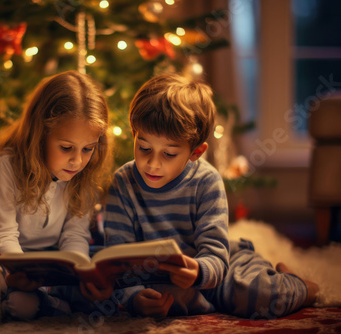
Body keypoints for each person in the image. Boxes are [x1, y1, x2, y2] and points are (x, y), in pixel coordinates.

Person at [103, 72, 318, 320]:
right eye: (144, 148)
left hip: (212, 270)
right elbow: (117, 255)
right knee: (90, 292)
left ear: (196, 152)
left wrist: (198, 272)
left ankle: (303, 286)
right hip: (153, 276)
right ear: (134, 134)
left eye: (169, 154)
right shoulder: (122, 182)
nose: (153, 164)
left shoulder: (206, 181)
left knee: (258, 295)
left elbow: (215, 254)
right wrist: (132, 298)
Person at [0, 70, 112, 320]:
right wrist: (18, 274)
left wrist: (78, 270)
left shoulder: (85, 172)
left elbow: (74, 235)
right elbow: (3, 235)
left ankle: (42, 298)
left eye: (88, 149)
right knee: (13, 298)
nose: (77, 160)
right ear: (40, 134)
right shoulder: (5, 164)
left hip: (45, 260)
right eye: (66, 147)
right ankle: (50, 302)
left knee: (99, 286)